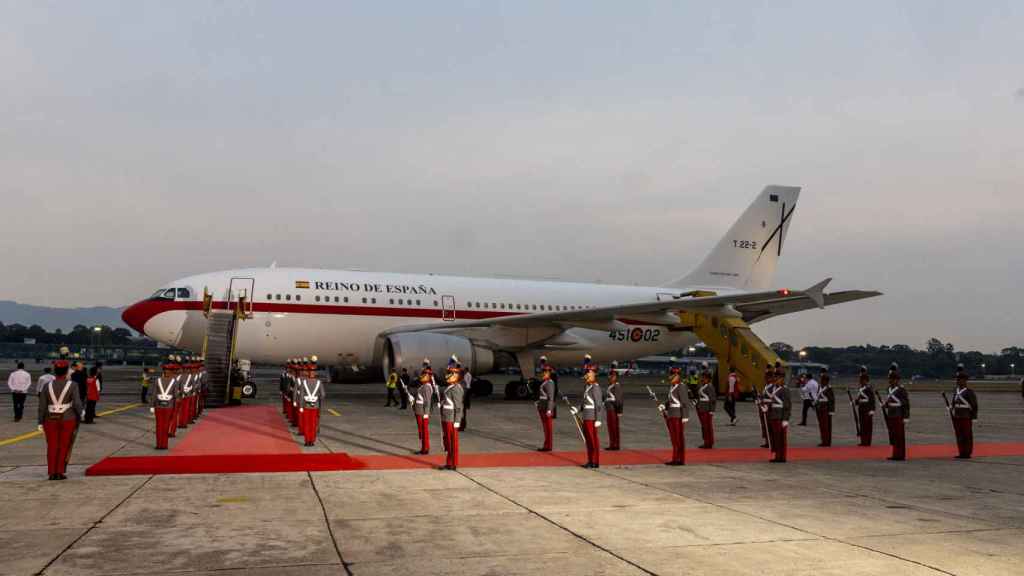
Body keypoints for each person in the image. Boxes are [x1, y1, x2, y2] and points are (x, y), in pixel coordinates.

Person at [38, 359, 83, 480]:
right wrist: (81, 413)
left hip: (49, 419)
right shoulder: (73, 385)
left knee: (52, 445)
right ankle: (60, 471)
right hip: (68, 418)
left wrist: (40, 422)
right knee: (64, 445)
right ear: (66, 372)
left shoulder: (47, 386)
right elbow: (77, 403)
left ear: (55, 371)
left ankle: (52, 472)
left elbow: (42, 406)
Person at [572, 355, 604, 469]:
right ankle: (590, 460)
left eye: (589, 374)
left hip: (592, 418)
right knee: (588, 441)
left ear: (594, 374)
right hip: (586, 417)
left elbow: (599, 404)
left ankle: (595, 461)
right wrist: (577, 409)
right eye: (586, 374)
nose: (587, 376)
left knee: (593, 440)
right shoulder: (587, 387)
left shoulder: (595, 388)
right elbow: (584, 402)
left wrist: (599, 419)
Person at [661, 359, 688, 465]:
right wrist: (664, 405)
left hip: (678, 415)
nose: (670, 377)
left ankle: (679, 459)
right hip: (672, 414)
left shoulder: (681, 387)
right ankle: (675, 458)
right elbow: (671, 400)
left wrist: (685, 416)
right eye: (671, 375)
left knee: (678, 438)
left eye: (673, 375)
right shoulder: (672, 387)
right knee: (673, 438)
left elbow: (685, 402)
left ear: (677, 376)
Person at [439, 359, 465, 470]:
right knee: (448, 442)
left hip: (452, 419)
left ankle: (454, 463)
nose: (447, 375)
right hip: (446, 417)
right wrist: (441, 404)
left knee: (453, 443)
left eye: (450, 373)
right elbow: (448, 401)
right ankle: (449, 463)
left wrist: (457, 421)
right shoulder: (450, 387)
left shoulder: (456, 388)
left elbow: (459, 407)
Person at [882, 363, 910, 461]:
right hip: (891, 414)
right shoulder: (888, 389)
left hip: (898, 414)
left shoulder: (901, 390)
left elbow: (906, 404)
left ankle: (900, 455)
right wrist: (885, 405)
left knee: (899, 436)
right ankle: (895, 454)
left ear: (896, 380)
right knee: (893, 435)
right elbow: (889, 401)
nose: (890, 380)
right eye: (889, 379)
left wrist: (906, 417)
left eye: (892, 379)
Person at [951, 365, 979, 459]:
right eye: (957, 380)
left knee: (967, 435)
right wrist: (951, 408)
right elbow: (954, 402)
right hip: (957, 416)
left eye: (960, 380)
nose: (958, 381)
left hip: (966, 416)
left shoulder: (969, 392)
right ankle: (961, 452)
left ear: (965, 381)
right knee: (959, 435)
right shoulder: (956, 391)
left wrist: (974, 417)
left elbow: (974, 405)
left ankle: (967, 453)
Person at [151, 358, 179, 449]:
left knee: (159, 426)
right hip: (169, 407)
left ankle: (159, 445)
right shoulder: (174, 382)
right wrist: (175, 407)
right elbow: (176, 396)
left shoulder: (157, 380)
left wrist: (152, 405)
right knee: (166, 426)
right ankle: (164, 445)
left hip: (158, 406)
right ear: (171, 372)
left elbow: (154, 394)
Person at [765, 373, 791, 462]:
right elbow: (772, 401)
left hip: (780, 416)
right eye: (775, 378)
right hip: (773, 415)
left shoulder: (785, 390)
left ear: (782, 379)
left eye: (778, 378)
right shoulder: (774, 388)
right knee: (775, 437)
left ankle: (782, 457)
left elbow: (787, 405)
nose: (776, 380)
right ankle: (777, 456)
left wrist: (785, 419)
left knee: (781, 438)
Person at [299, 359, 324, 446]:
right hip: (315, 406)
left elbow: (301, 395)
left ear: (309, 373)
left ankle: (306, 441)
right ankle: (312, 441)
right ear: (315, 373)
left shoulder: (304, 382)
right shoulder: (319, 382)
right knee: (313, 425)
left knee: (307, 424)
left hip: (306, 406)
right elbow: (323, 395)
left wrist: (301, 407)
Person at [412, 359, 435, 454]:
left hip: (422, 412)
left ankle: (425, 449)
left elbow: (427, 401)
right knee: (421, 431)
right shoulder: (423, 386)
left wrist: (426, 413)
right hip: (419, 410)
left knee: (424, 431)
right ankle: (423, 448)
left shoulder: (426, 387)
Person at [535, 360, 556, 452]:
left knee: (548, 428)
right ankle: (546, 444)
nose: (543, 374)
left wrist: (549, 410)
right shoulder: (545, 382)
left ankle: (548, 446)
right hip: (542, 406)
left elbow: (551, 398)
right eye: (543, 372)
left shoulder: (550, 383)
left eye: (546, 372)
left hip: (546, 407)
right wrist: (538, 402)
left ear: (549, 373)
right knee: (545, 427)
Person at [814, 369, 835, 447]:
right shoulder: (820, 387)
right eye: (821, 380)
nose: (821, 381)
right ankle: (824, 440)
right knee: (822, 425)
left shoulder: (829, 388)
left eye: (823, 380)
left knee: (826, 426)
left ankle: (827, 441)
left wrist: (831, 410)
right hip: (820, 408)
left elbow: (832, 400)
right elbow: (818, 397)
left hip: (826, 408)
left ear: (826, 381)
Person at [604, 361, 623, 450]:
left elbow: (619, 400)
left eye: (611, 376)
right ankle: (612, 444)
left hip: (613, 410)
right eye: (609, 376)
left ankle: (615, 445)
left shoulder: (616, 386)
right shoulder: (610, 386)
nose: (609, 377)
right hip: (609, 409)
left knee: (614, 428)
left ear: (615, 377)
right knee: (610, 428)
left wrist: (619, 411)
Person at [856, 366, 876, 446]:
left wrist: (872, 410)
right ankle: (863, 441)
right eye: (860, 379)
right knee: (862, 425)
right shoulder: (861, 388)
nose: (860, 381)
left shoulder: (868, 388)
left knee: (867, 426)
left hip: (867, 408)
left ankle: (867, 441)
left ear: (865, 380)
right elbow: (860, 398)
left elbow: (872, 400)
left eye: (861, 380)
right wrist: (856, 402)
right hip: (861, 408)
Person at [460, 365, 472, 431]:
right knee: (462, 414)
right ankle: (462, 426)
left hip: (462, 401)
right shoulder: (462, 382)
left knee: (462, 414)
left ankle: (462, 426)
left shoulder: (463, 382)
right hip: (462, 400)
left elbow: (464, 393)